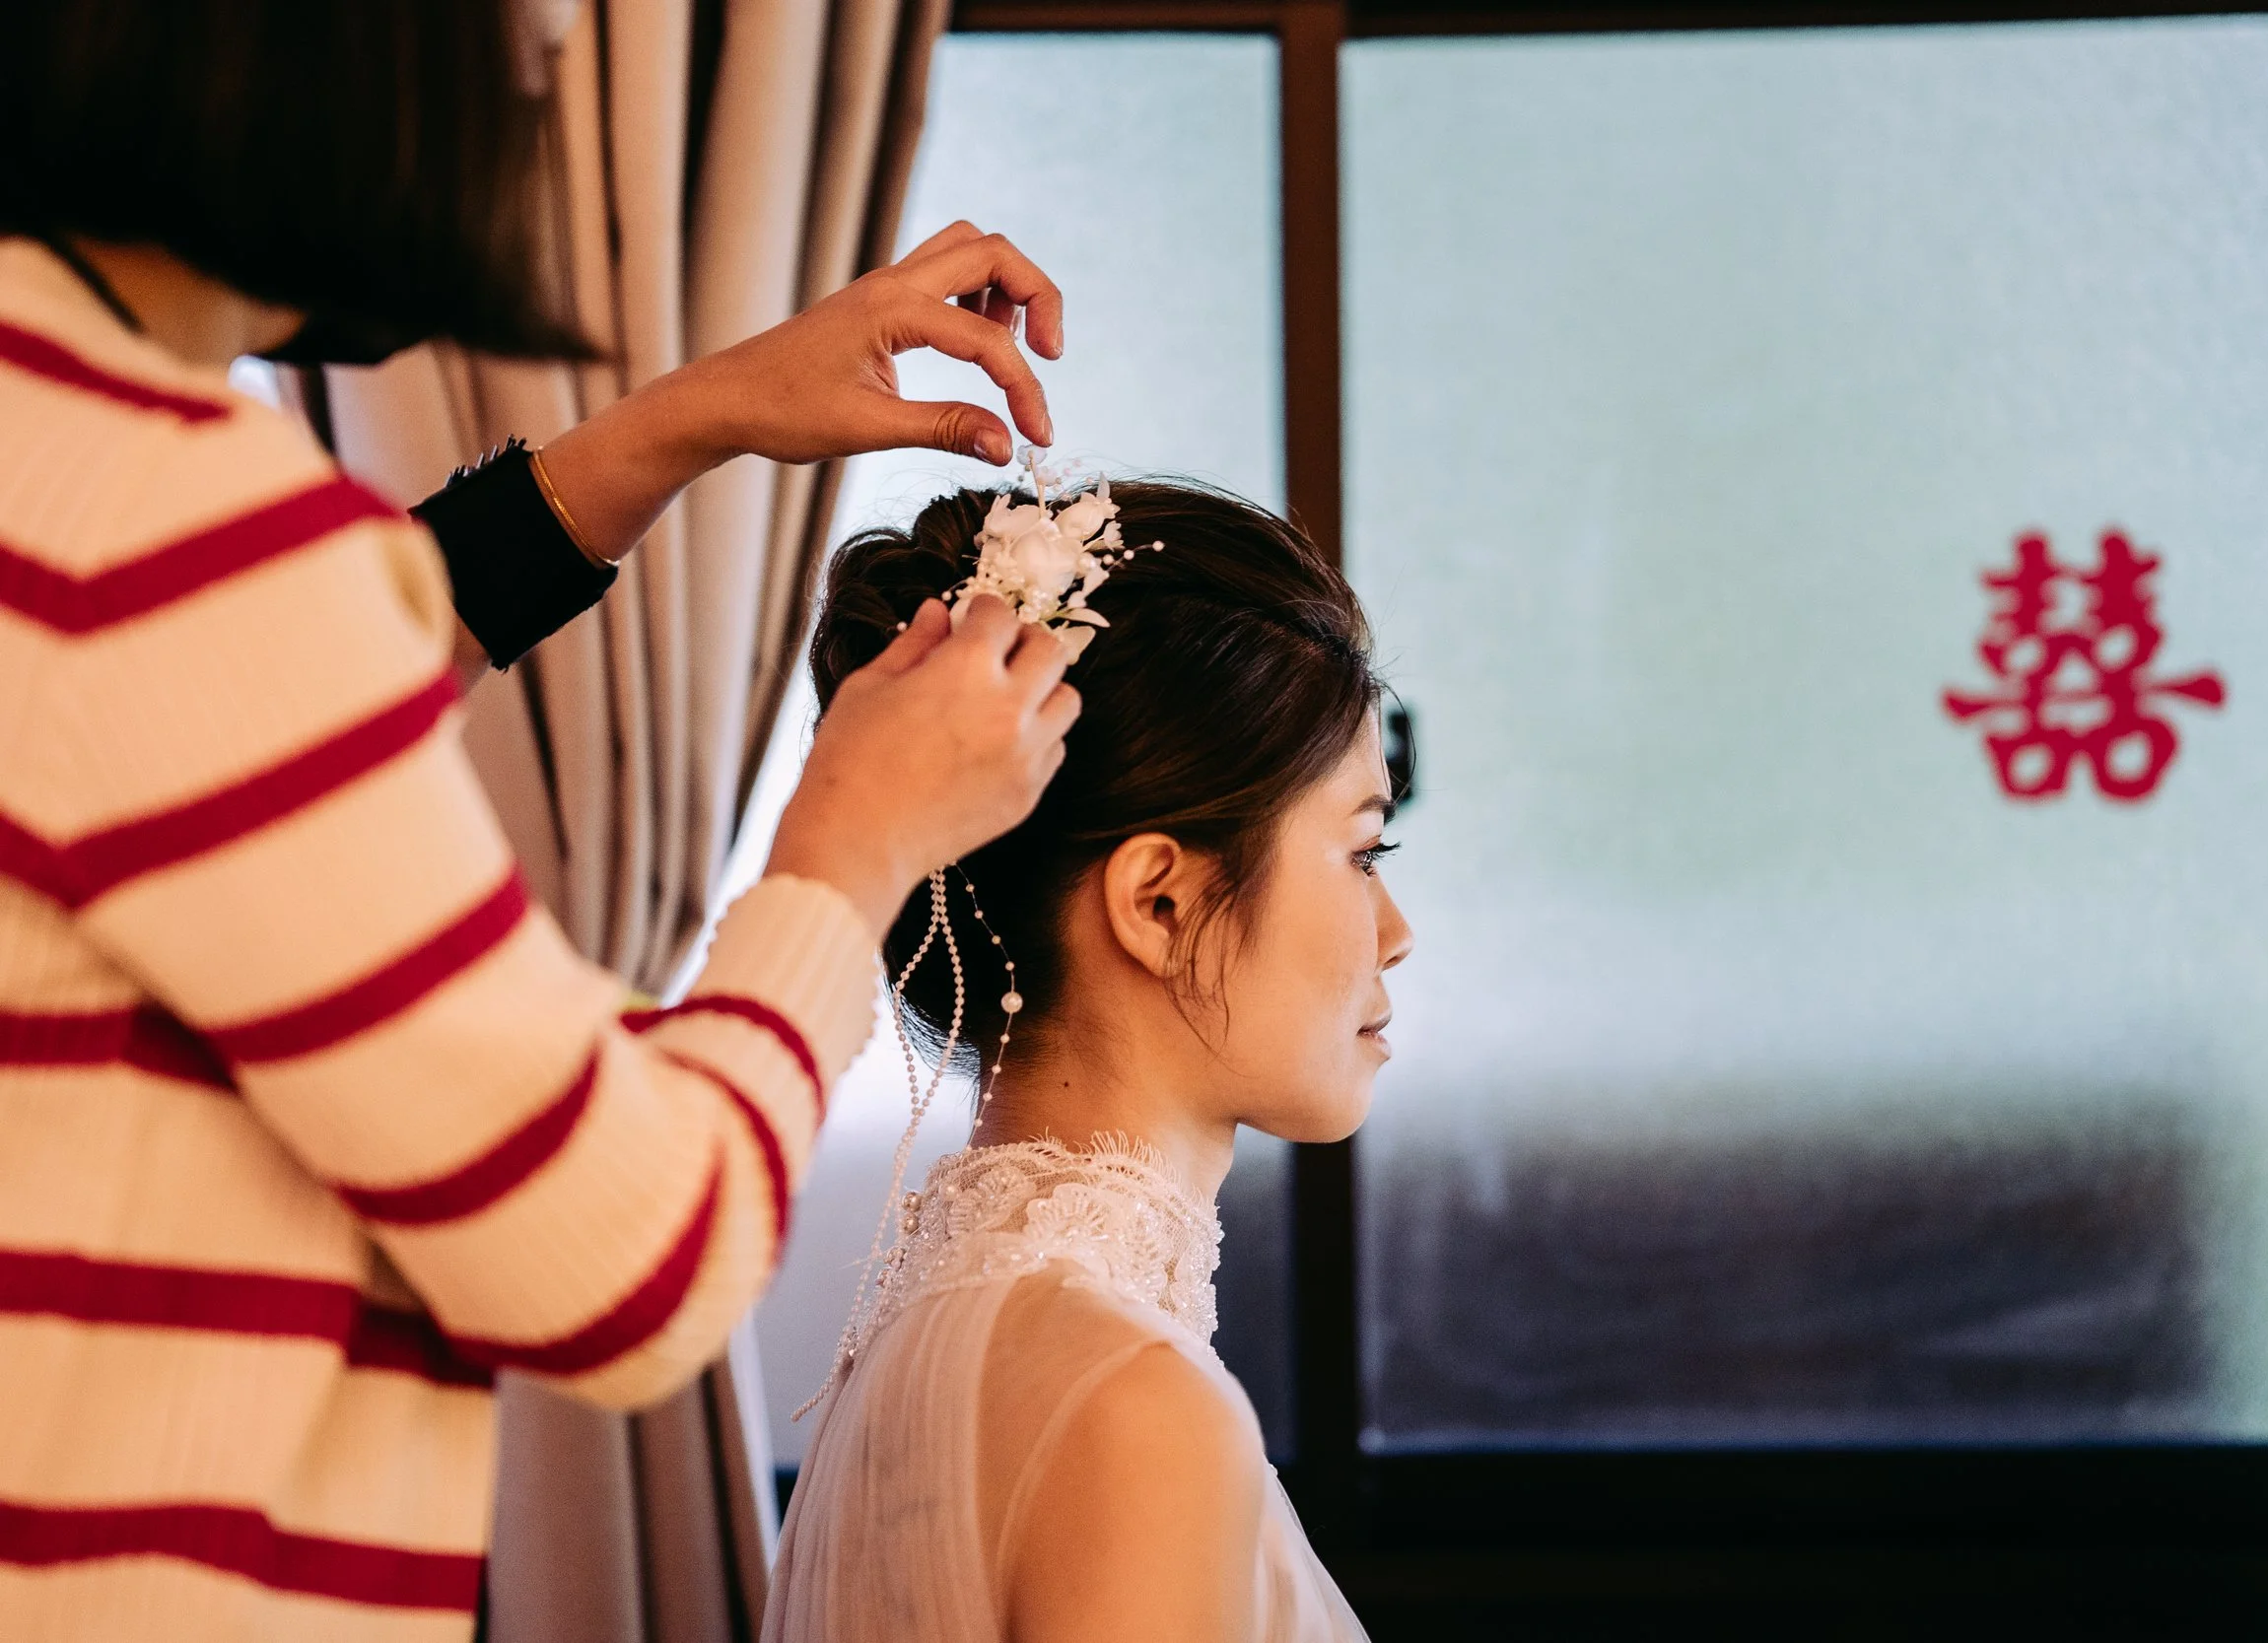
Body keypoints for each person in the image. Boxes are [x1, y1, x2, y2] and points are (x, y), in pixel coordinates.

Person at [0, 3, 1080, 1639]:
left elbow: (192, 748)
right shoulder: (166, 532)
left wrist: (677, 423)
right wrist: (847, 849)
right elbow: (628, 1261)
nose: (537, 72)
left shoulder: (60, 479)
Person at [764, 478, 1413, 1643]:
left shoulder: (901, 1357)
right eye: (1363, 850)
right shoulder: (1132, 1406)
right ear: (1157, 899)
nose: (1397, 929)